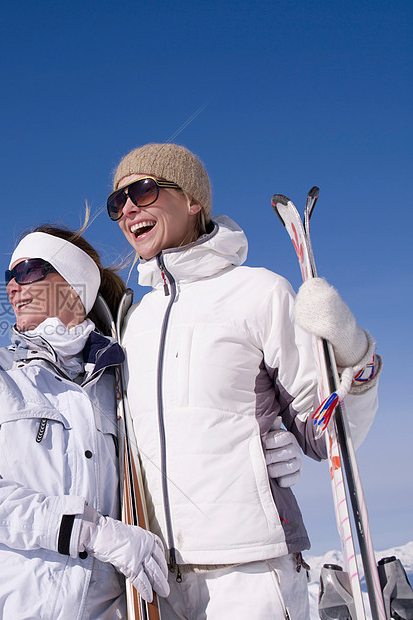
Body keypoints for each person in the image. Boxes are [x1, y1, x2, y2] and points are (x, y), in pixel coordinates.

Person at [107, 143, 380, 619]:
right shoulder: (133, 320)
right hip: (156, 578)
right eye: (118, 202)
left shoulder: (258, 293)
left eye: (143, 191)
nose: (128, 208)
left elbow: (325, 434)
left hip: (251, 568)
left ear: (193, 200)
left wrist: (354, 357)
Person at [0, 225, 170, 620]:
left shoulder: (118, 386)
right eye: (9, 276)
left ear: (74, 285)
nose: (12, 286)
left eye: (28, 271)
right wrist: (88, 530)